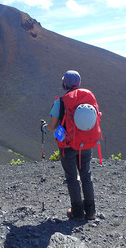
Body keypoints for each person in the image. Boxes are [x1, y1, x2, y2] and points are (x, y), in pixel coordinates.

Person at [40, 70, 97, 221]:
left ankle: (77, 212)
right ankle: (90, 212)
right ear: (79, 83)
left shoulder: (61, 101)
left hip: (67, 145)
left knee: (72, 177)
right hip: (86, 143)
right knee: (86, 175)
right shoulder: (88, 98)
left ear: (64, 84)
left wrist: (43, 128)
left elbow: (52, 126)